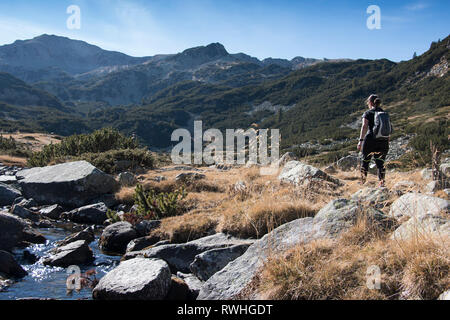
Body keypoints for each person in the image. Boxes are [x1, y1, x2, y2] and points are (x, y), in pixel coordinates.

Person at [357, 94, 390, 187]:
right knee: (380, 163)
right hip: (383, 140)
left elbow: (364, 126)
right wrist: (387, 141)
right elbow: (387, 129)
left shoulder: (367, 113)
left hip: (370, 140)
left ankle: (363, 182)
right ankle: (381, 183)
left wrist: (360, 141)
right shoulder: (384, 114)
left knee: (365, 161)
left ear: (370, 103)